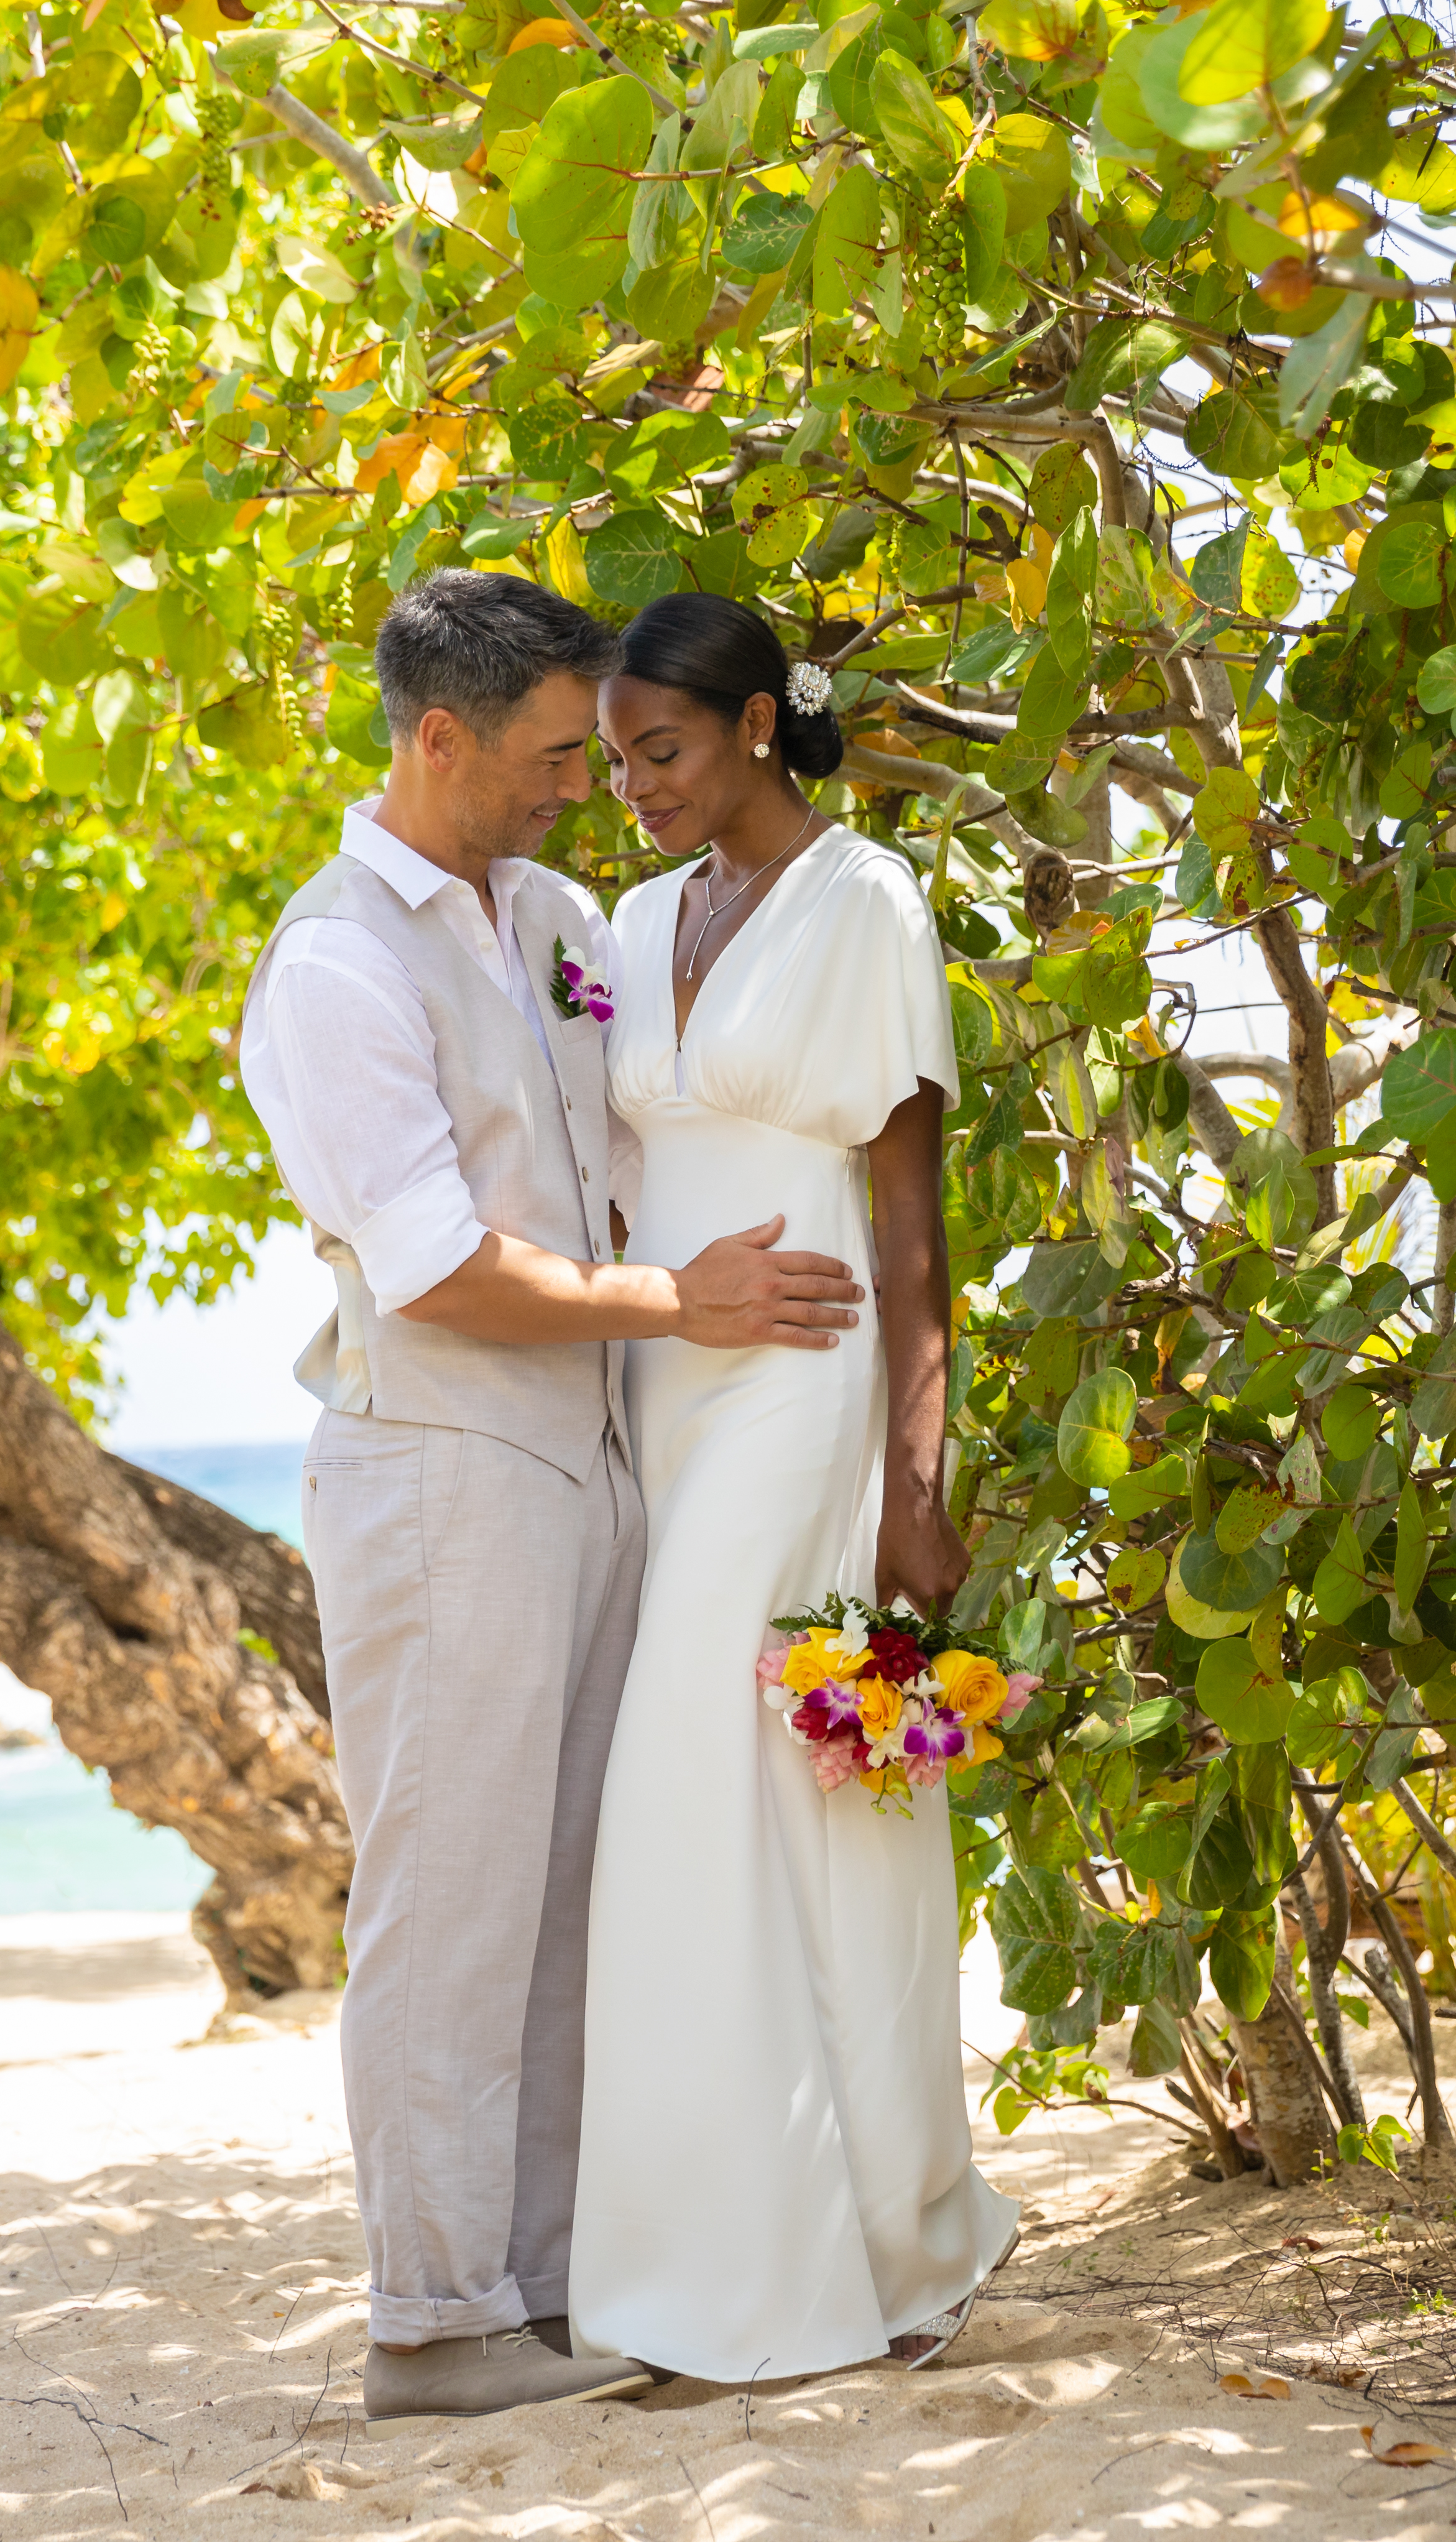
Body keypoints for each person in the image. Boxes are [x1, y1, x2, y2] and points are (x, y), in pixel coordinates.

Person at [236, 570, 869, 2429]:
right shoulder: (337, 963)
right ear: (436, 740)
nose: (574, 787)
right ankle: (431, 2320)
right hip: (441, 1469)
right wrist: (686, 1303)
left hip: (598, 1462)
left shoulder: (557, 915)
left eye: (591, 757)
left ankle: (547, 2284)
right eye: (539, 759)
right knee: (449, 1906)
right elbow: (437, 1267)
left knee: (572, 1892)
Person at [568, 591, 1023, 2381]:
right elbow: (584, 1106)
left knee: (722, 1776)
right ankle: (850, 2235)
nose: (632, 791)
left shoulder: (866, 904)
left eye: (658, 752)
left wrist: (921, 1473)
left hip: (804, 1389)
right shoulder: (619, 923)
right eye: (610, 764)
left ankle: (807, 2259)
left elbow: (915, 1224)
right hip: (661, 1385)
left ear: (762, 724)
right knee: (770, 1803)